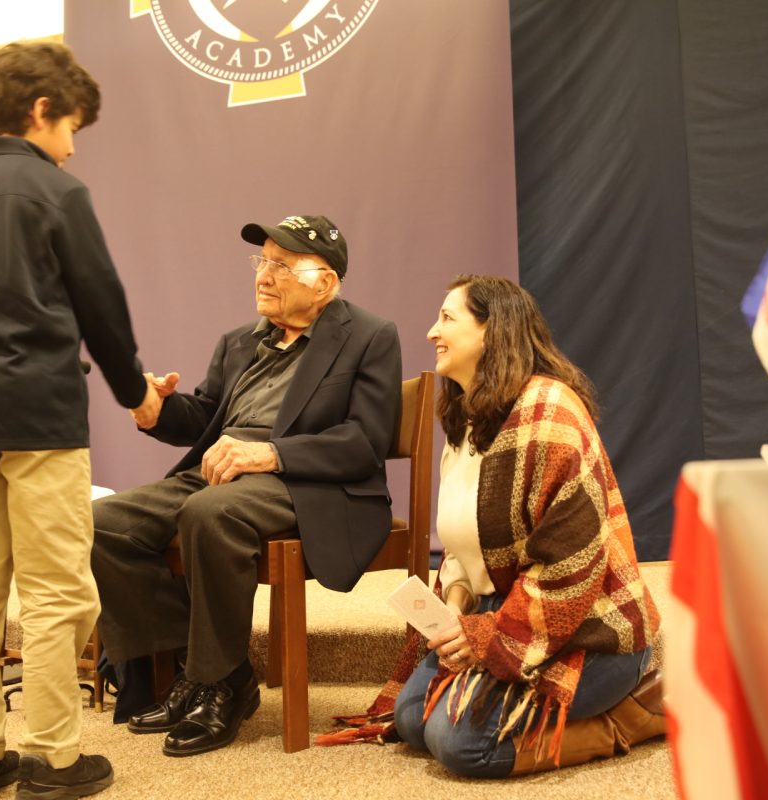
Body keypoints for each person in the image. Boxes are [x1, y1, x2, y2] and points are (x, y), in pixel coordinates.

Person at [0, 42, 158, 800]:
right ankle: (52, 759)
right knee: (56, 590)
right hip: (37, 415)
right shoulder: (56, 193)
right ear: (40, 110)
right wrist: (133, 389)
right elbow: (99, 305)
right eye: (72, 126)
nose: (74, 145)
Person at [321, 275, 663, 777]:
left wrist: (487, 635)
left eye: (447, 318)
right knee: (413, 719)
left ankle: (632, 717)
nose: (431, 331)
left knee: (461, 744)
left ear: (491, 330)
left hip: (589, 628)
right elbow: (461, 546)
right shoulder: (466, 418)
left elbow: (569, 569)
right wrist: (453, 611)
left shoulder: (551, 415)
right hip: (498, 605)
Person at [91, 214, 402, 757]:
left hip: (306, 481)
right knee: (104, 523)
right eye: (261, 262)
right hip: (221, 471)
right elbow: (205, 416)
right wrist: (157, 409)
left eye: (281, 266)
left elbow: (363, 441)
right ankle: (196, 673)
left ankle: (218, 685)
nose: (263, 275)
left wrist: (271, 453)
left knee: (212, 514)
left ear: (324, 283)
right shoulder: (239, 341)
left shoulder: (369, 336)